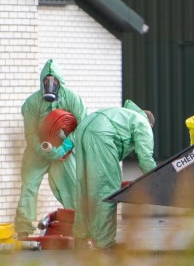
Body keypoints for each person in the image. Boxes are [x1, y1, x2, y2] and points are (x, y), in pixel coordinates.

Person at [69, 100, 156, 249]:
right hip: (101, 135)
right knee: (107, 189)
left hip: (83, 128)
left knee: (85, 188)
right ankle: (105, 243)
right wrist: (156, 178)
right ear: (151, 124)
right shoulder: (143, 123)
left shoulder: (125, 115)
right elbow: (146, 159)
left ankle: (80, 238)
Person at [14, 60, 86, 237]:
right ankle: (23, 229)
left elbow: (83, 126)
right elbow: (30, 133)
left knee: (72, 185)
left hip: (64, 150)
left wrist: (64, 147)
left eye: (53, 81)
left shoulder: (72, 98)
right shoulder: (32, 103)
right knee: (29, 187)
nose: (50, 85)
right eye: (46, 82)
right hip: (37, 151)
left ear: (60, 82)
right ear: (42, 83)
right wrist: (40, 148)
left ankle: (79, 225)